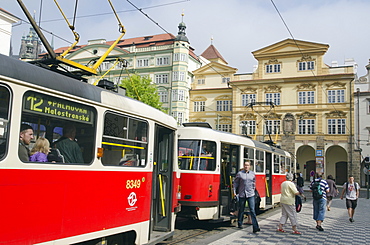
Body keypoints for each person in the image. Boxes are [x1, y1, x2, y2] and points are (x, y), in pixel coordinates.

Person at [233, 161, 260, 233]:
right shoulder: (240, 174)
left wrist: (253, 189)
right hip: (242, 194)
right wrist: (235, 192)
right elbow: (235, 183)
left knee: (252, 210)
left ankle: (255, 226)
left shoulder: (252, 174)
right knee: (241, 209)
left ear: (250, 166)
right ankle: (240, 223)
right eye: (245, 165)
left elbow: (254, 182)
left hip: (250, 194)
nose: (246, 166)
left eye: (247, 165)